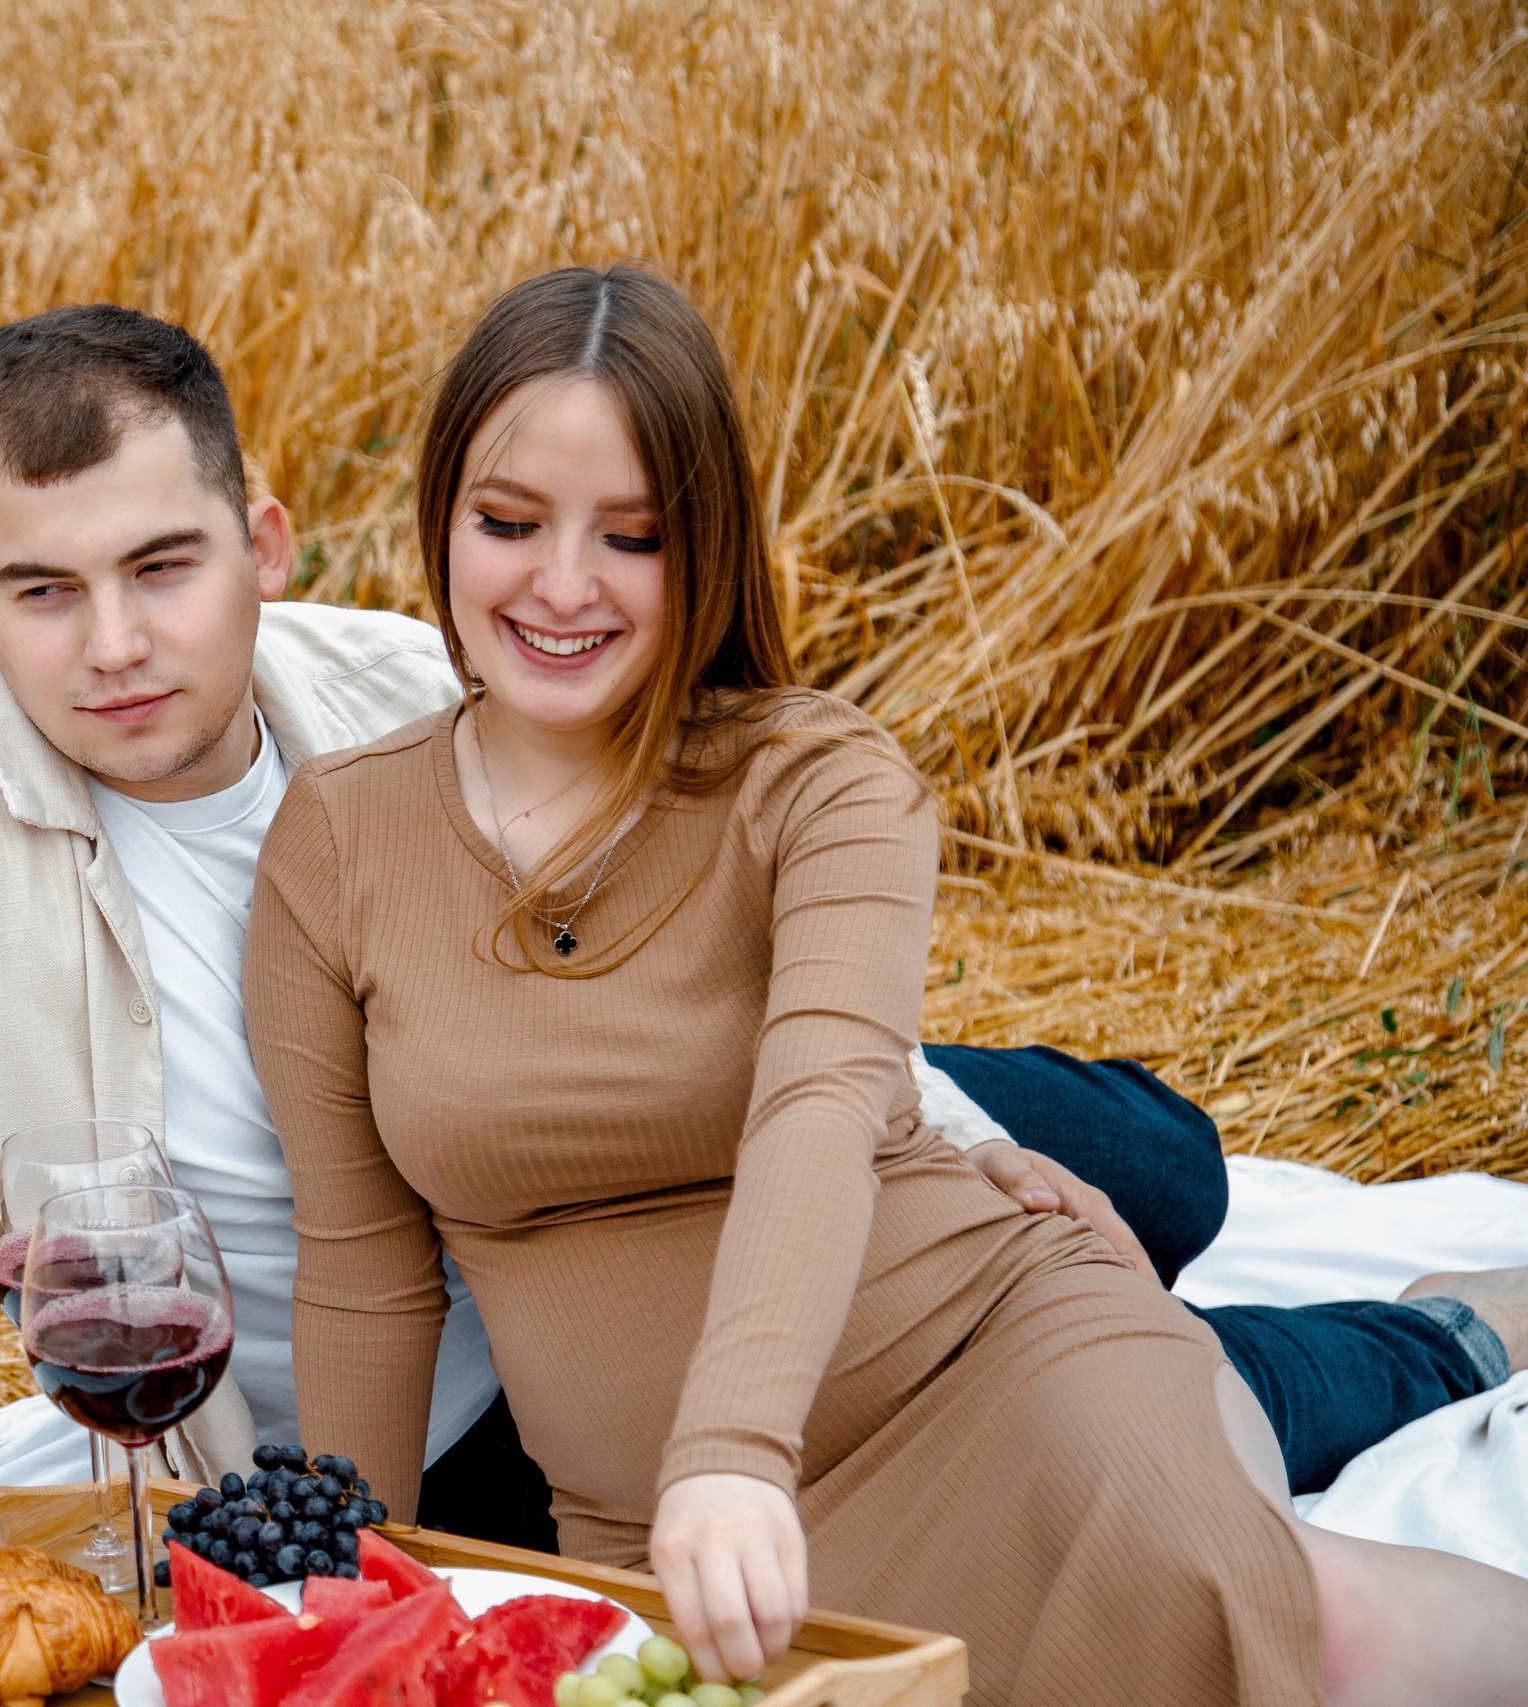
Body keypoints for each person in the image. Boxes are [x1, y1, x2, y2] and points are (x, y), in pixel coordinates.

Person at [0, 303, 1521, 1707]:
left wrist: (926, 1162)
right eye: (46, 591)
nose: (116, 644)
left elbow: (816, 1091)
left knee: (1143, 1172)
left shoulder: (402, 684)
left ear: (266, 551)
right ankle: (1397, 1348)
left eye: (165, 568)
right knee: (1144, 1430)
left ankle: (1399, 1344)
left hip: (820, 1180)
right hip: (522, 1398)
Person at [242, 262, 1528, 1706]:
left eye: (634, 535)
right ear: (443, 521)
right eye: (510, 523)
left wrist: (735, 1455)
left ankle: (1454, 1336)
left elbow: (821, 1103)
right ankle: (1450, 1327)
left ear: (709, 546)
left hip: (989, 1366)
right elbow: (362, 1268)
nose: (560, 584)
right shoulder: (340, 838)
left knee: (1285, 1623)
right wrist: (346, 1600)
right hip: (662, 1530)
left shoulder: (821, 781)